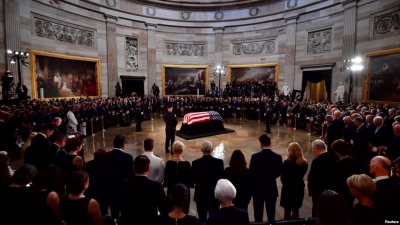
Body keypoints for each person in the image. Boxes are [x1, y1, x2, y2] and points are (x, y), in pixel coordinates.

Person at [119, 155, 167, 225]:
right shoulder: (156, 186)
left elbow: (120, 204)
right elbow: (164, 209)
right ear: (148, 168)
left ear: (133, 168)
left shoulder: (124, 184)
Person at [249, 134, 282, 223]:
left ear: (261, 144)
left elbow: (252, 173)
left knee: (258, 215)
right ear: (270, 143)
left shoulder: (255, 157)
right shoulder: (277, 157)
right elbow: (278, 172)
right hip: (271, 188)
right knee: (271, 215)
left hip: (258, 189)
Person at [100, 135, 134, 218]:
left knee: (114, 212)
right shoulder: (128, 157)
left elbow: (103, 172)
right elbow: (130, 175)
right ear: (123, 145)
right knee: (124, 213)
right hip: (124, 189)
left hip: (110, 188)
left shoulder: (106, 156)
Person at [191, 141, 224, 223]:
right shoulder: (219, 163)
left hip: (200, 195)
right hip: (214, 195)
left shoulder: (195, 163)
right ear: (212, 149)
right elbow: (221, 179)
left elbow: (193, 179)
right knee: (214, 220)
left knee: (202, 220)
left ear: (201, 149)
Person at [307, 139, 335, 217]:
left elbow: (312, 177)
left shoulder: (317, 161)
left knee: (317, 208)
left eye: (313, 149)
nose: (313, 151)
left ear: (316, 148)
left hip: (318, 190)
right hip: (330, 188)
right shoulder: (332, 158)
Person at [163, 141, 193, 214]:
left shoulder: (169, 164)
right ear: (182, 150)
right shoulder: (187, 164)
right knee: (184, 213)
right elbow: (190, 182)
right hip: (184, 192)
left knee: (171, 211)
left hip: (171, 191)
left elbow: (166, 180)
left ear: (173, 150)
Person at [280, 142, 308, 220]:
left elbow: (283, 178)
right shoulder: (304, 163)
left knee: (287, 210)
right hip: (298, 188)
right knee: (296, 209)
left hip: (288, 189)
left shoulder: (287, 163)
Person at [369, 156, 400, 221]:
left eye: (371, 163)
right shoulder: (396, 185)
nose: (369, 165)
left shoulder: (373, 188)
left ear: (375, 166)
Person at [331, 139, 356, 209]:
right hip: (349, 193)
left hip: (341, 194)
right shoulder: (352, 161)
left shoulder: (340, 165)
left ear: (338, 152)